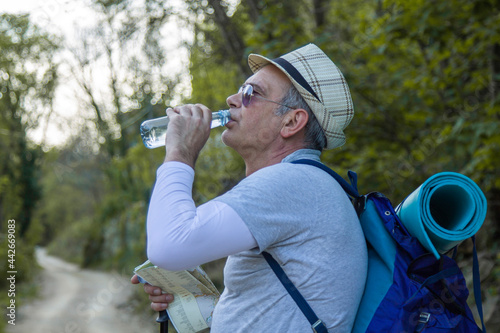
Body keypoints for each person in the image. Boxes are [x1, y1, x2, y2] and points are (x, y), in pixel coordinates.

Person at [131, 43, 368, 332]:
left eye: (251, 94)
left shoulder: (290, 183)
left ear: (292, 122)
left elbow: (167, 247)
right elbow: (272, 308)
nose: (232, 99)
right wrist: (190, 297)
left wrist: (180, 153)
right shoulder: (308, 184)